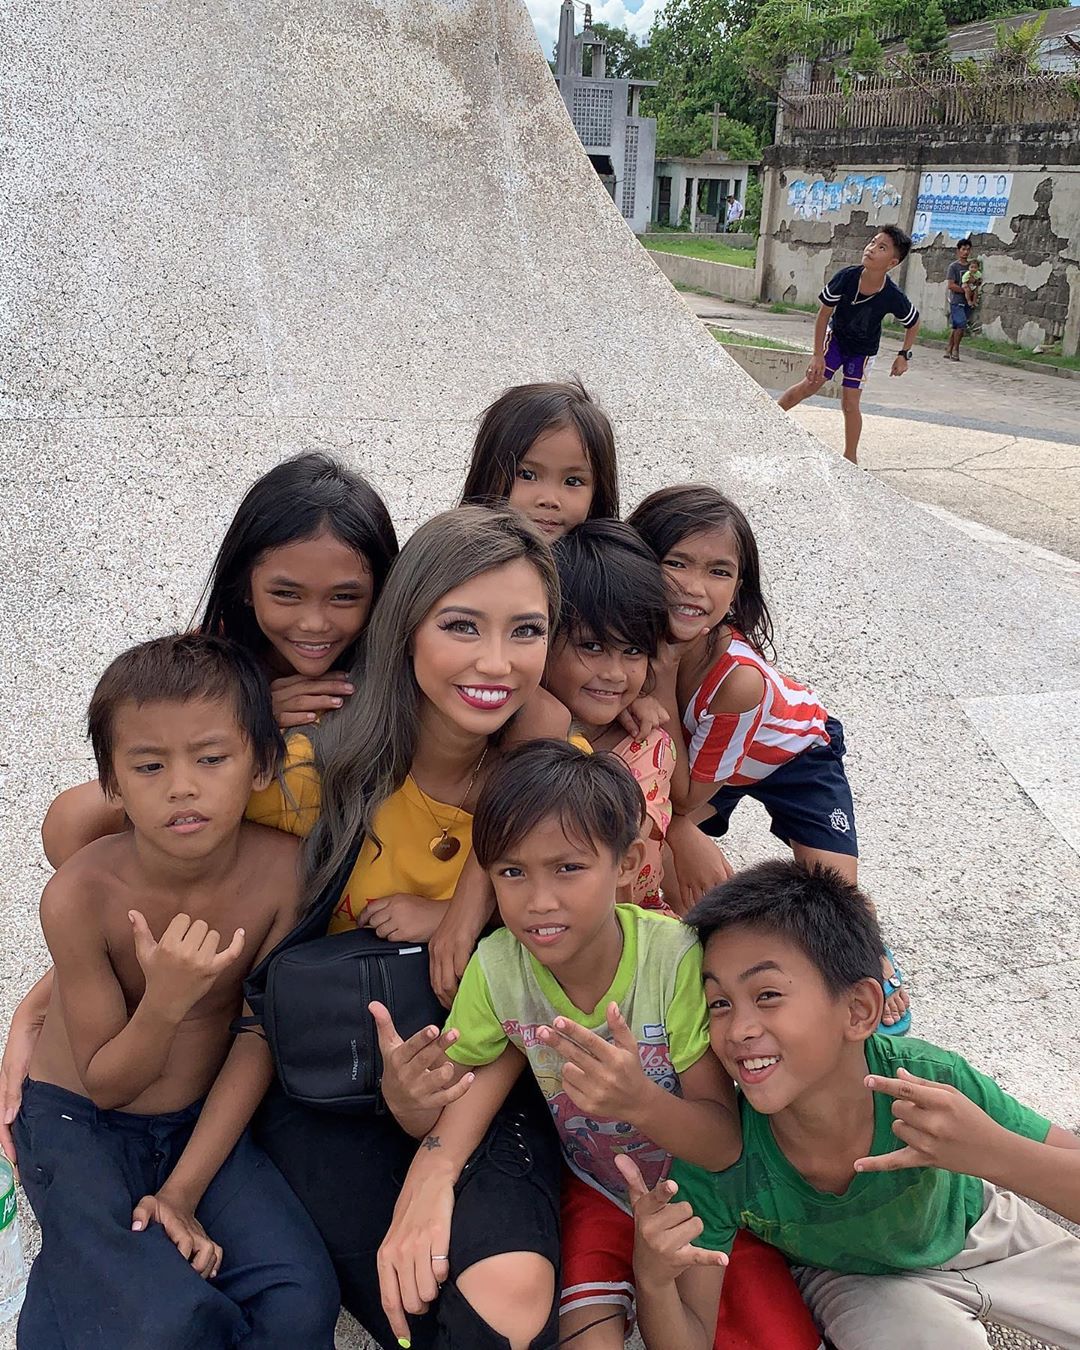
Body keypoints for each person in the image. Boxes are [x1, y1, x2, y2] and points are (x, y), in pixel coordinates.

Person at [2, 454, 401, 1153]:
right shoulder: (209, 672)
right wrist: (42, 1003)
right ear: (245, 586)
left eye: (345, 597)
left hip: (326, 942)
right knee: (76, 819)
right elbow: (99, 847)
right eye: (286, 594)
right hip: (209, 940)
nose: (315, 622)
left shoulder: (393, 680)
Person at [247, 506, 571, 1350]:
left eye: (525, 630)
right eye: (461, 626)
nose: (496, 663)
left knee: (508, 1305)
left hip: (481, 1074)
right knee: (416, 1311)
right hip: (327, 1078)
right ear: (406, 629)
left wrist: (436, 1166)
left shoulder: (547, 786)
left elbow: (534, 978)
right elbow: (92, 831)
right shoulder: (321, 768)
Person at [376, 742, 820, 1350]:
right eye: (512, 872)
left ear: (631, 862)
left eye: (568, 868)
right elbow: (442, 1112)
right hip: (596, 1191)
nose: (539, 901)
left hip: (704, 1197)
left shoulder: (675, 960)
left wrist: (640, 1101)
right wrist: (403, 1096)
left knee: (780, 1338)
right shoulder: (499, 967)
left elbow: (722, 1145)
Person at [11, 634, 339, 1349]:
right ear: (113, 785)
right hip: (76, 1124)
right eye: (150, 765)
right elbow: (105, 1086)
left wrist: (184, 1192)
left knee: (298, 1297)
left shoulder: (285, 876)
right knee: (157, 1320)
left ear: (261, 765)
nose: (182, 786)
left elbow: (257, 1038)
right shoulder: (80, 894)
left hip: (199, 1122)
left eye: (211, 758)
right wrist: (165, 1001)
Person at [619, 860, 1080, 1350]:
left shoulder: (927, 1080)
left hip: (982, 1229)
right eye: (719, 1003)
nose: (738, 1030)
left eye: (768, 994)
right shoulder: (722, 1153)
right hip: (857, 1281)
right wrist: (653, 1279)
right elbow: (688, 1338)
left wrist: (990, 1151)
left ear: (859, 1010)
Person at [627, 483, 909, 1033]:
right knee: (656, 855)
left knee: (830, 895)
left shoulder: (738, 681)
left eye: (719, 571)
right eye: (675, 562)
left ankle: (870, 942)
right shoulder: (627, 637)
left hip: (794, 756)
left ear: (738, 588)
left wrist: (660, 677)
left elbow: (681, 796)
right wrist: (679, 836)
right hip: (706, 755)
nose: (694, 586)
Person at [544, 519, 678, 908]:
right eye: (592, 646)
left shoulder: (647, 746)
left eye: (633, 651)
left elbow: (603, 849)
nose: (615, 674)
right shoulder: (514, 722)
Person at [776, 226, 920, 465]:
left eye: (881, 247)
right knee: (809, 385)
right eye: (873, 242)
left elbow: (913, 323)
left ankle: (850, 458)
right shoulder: (847, 277)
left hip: (862, 352)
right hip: (836, 341)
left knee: (850, 404)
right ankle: (769, 416)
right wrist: (818, 356)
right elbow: (823, 315)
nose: (872, 249)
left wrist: (903, 354)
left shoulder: (892, 295)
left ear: (892, 262)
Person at [459, 379, 619, 538]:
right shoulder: (452, 560)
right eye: (527, 475)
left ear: (598, 494)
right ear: (487, 474)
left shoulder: (612, 562)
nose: (549, 500)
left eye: (573, 481)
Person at [945, 238, 973, 361]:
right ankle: (956, 349)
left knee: (956, 326)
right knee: (961, 325)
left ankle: (948, 349)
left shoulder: (972, 267)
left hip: (968, 301)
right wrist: (965, 290)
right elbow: (951, 285)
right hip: (956, 300)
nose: (966, 252)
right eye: (963, 249)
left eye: (968, 249)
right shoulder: (953, 267)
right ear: (958, 251)